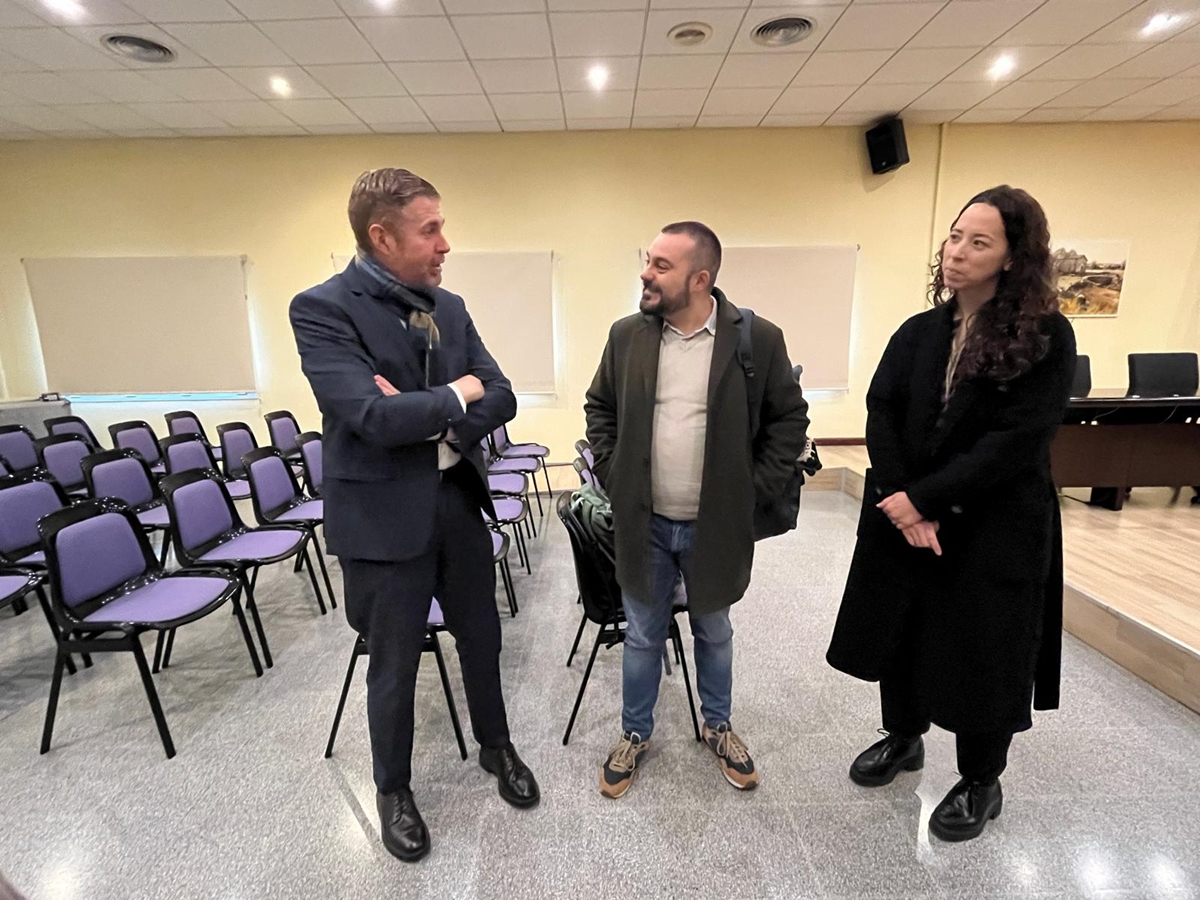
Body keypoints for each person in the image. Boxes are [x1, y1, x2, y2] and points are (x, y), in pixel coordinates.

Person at [289, 168, 539, 863]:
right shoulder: (323, 309)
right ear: (382, 236)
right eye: (431, 230)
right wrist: (458, 394)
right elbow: (369, 416)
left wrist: (427, 412)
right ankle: (393, 790)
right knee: (394, 663)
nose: (445, 244)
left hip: (455, 501)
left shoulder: (449, 306)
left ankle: (496, 746)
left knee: (482, 637)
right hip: (380, 521)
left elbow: (503, 394)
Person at [826, 185, 1077, 842]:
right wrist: (902, 501)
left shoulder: (1045, 336)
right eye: (955, 236)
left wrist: (923, 499)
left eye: (978, 242)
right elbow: (881, 410)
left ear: (1013, 257)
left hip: (993, 524)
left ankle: (981, 779)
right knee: (903, 632)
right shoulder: (919, 332)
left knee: (983, 651)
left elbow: (1017, 439)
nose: (957, 252)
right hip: (906, 513)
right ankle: (904, 736)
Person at [584, 221, 810, 799]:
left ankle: (718, 727)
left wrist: (753, 490)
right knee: (642, 634)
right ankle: (635, 734)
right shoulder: (627, 335)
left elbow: (789, 419)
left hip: (715, 526)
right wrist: (613, 472)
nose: (646, 273)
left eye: (661, 265)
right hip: (645, 523)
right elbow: (599, 406)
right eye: (648, 260)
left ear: (700, 278)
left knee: (714, 628)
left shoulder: (757, 339)